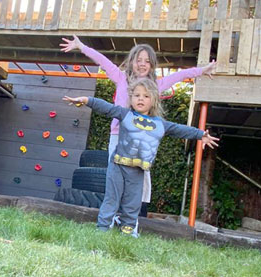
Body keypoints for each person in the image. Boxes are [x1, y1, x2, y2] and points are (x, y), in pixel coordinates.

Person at [59, 35, 216, 204]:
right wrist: (81, 46)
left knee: (141, 175)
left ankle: (138, 210)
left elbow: (179, 75)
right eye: (138, 60)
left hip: (141, 138)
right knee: (115, 174)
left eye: (147, 61)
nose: (142, 64)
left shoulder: (156, 85)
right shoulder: (121, 78)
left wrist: (201, 70)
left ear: (152, 65)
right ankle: (114, 208)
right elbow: (102, 60)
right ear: (131, 62)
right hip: (118, 136)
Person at [64, 78, 219, 235]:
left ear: (153, 100)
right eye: (137, 95)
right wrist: (86, 100)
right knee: (112, 198)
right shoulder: (124, 114)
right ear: (131, 98)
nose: (140, 99)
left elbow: (180, 129)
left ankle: (128, 230)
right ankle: (102, 228)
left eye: (146, 96)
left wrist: (200, 135)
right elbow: (106, 108)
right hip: (117, 166)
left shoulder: (161, 124)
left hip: (137, 170)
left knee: (133, 202)